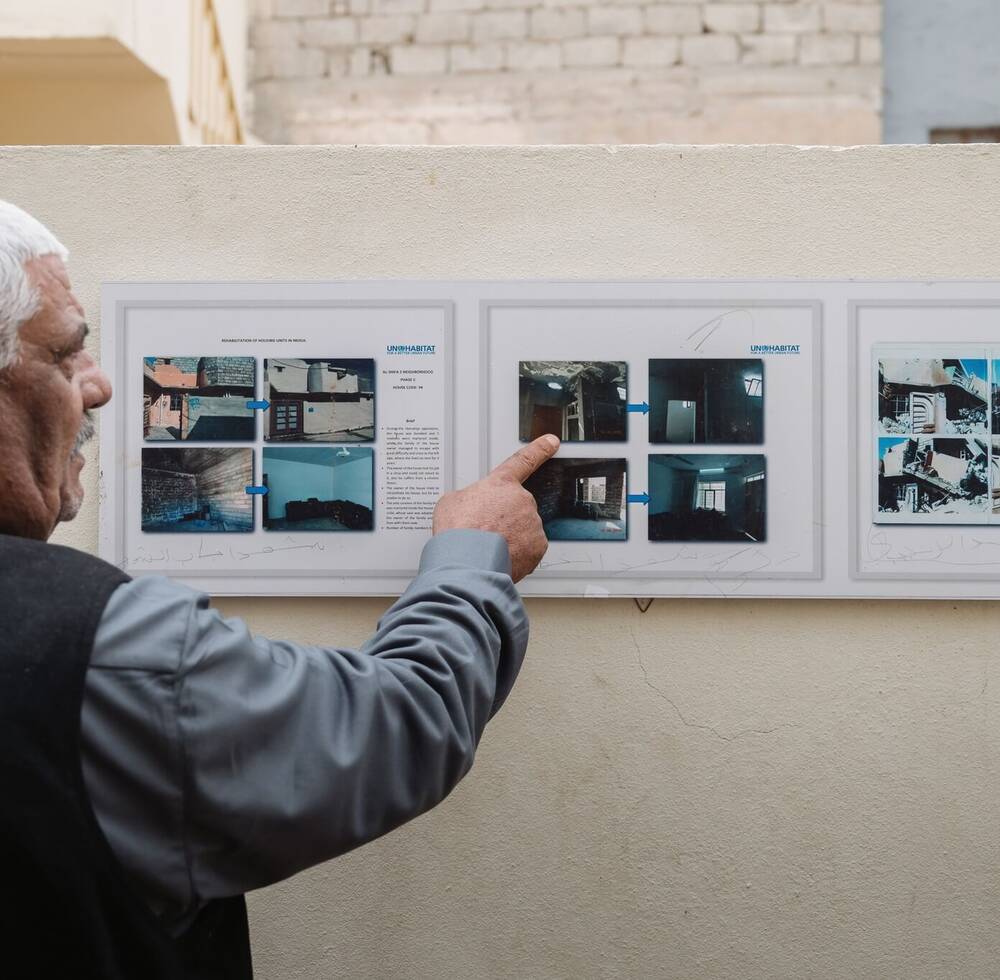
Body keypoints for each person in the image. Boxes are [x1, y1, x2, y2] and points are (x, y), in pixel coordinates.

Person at [0, 200, 558, 979]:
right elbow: (390, 726)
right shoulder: (90, 643)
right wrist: (475, 557)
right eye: (64, 356)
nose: (99, 389)